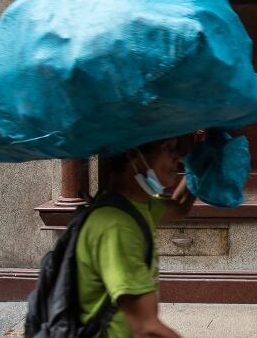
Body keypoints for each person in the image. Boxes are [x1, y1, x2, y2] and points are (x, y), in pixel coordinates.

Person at [76, 136, 197, 338]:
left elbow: (180, 207)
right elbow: (147, 327)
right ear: (134, 155)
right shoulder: (117, 225)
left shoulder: (136, 205)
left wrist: (200, 165)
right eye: (169, 149)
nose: (178, 159)